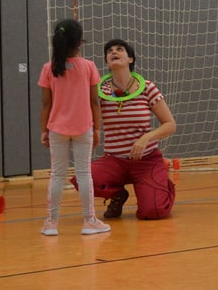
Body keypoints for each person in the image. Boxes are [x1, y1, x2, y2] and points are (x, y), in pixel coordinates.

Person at [71, 39, 178, 219]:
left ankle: (161, 182)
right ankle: (118, 195)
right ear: (107, 61)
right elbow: (85, 113)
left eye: (120, 49)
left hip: (146, 161)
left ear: (130, 59)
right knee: (81, 178)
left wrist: (146, 138)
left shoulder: (147, 88)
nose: (114, 52)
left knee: (153, 212)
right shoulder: (99, 91)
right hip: (114, 161)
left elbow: (170, 124)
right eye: (110, 51)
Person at [38, 19, 110, 236]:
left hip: (57, 129)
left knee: (57, 175)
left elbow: (45, 104)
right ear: (80, 42)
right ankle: (89, 221)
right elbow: (95, 102)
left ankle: (51, 223)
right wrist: (97, 129)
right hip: (83, 129)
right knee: (83, 174)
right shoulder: (89, 66)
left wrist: (44, 130)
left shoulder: (48, 68)